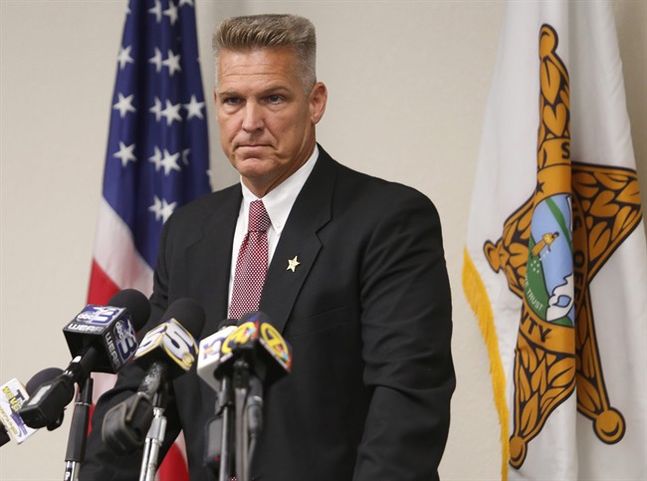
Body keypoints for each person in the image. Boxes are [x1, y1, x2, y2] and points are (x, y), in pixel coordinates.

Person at [81, 14, 455, 481]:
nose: (250, 122)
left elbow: (407, 403)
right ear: (216, 104)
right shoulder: (189, 232)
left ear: (315, 102)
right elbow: (147, 388)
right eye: (234, 101)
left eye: (273, 98)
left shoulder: (389, 220)